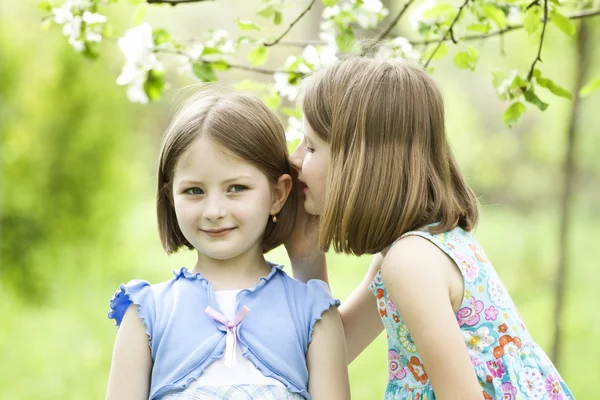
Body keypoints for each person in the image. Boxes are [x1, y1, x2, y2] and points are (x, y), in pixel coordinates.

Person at [287, 56, 574, 399]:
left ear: (360, 164)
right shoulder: (417, 249)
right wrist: (308, 257)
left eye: (311, 145)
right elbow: (330, 357)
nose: (294, 156)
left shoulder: (411, 262)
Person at [106, 91, 350, 400]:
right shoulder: (146, 313)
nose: (214, 211)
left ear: (278, 194)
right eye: (194, 191)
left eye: (236, 188)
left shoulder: (312, 311)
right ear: (170, 199)